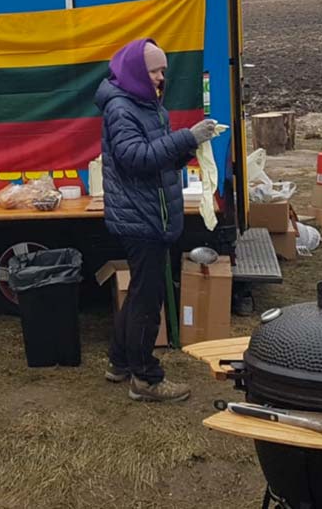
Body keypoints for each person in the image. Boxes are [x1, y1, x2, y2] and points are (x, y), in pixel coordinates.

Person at [94, 38, 218, 403]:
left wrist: (188, 148)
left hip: (152, 212)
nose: (163, 77)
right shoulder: (121, 109)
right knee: (149, 299)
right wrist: (184, 137)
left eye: (163, 70)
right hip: (140, 217)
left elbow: (157, 159)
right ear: (136, 71)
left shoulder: (147, 105)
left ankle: (119, 362)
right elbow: (135, 159)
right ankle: (145, 379)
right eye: (155, 70)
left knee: (139, 293)